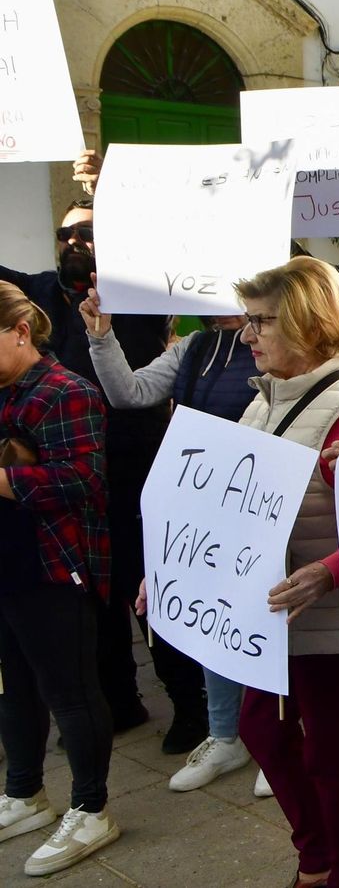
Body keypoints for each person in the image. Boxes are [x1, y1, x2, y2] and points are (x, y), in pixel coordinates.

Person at [0, 158, 189, 737]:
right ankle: (119, 701)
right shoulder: (36, 292)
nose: (74, 241)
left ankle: (191, 709)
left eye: (88, 231)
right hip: (71, 474)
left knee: (148, 585)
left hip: (133, 463)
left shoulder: (140, 292)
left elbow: (172, 243)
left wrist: (109, 187)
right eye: (66, 234)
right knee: (95, 597)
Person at [228, 257, 339, 888]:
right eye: (250, 320)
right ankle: (315, 856)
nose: (249, 334)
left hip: (328, 623)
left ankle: (337, 872)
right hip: (274, 618)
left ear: (305, 323)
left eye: (263, 320)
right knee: (259, 730)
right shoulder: (265, 401)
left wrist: (327, 571)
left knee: (327, 754)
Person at [78, 293, 260, 792]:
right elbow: (130, 393)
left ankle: (279, 733)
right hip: (203, 501)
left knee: (266, 617)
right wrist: (102, 336)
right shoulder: (197, 346)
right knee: (212, 615)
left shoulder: (276, 343)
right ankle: (226, 734)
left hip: (260, 501)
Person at [0, 281, 120, 876]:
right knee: (14, 687)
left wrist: (5, 480)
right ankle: (25, 792)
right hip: (7, 563)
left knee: (70, 691)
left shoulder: (65, 390)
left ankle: (91, 808)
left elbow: (84, 484)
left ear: (20, 331)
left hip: (54, 563)